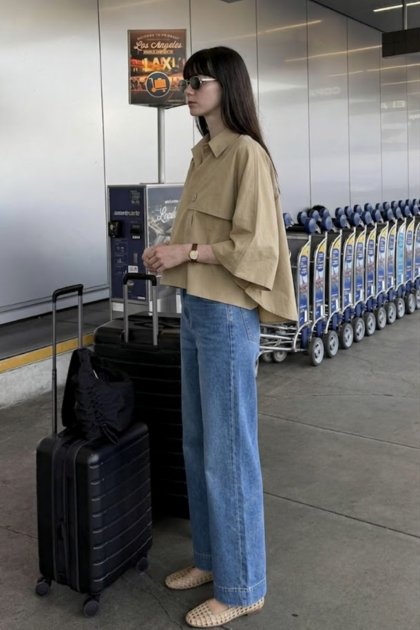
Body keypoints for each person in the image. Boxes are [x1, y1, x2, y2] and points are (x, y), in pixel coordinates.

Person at [142, 46, 297, 628]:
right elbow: (200, 237)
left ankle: (243, 586)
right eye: (185, 81)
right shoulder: (204, 154)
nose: (187, 89)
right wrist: (170, 253)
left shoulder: (246, 154)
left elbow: (258, 246)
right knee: (199, 442)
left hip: (229, 313)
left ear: (227, 86)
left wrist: (187, 251)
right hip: (198, 306)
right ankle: (211, 560)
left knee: (229, 450)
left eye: (198, 81)